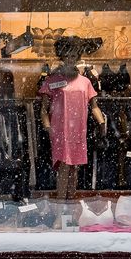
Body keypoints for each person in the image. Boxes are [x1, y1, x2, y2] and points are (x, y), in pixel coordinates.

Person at [39, 37, 107, 202]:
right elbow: (43, 110)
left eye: (73, 55)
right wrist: (48, 127)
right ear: (62, 56)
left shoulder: (85, 82)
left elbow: (95, 106)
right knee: (63, 167)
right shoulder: (52, 81)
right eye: (67, 55)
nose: (70, 59)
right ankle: (61, 208)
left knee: (74, 168)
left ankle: (69, 206)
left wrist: (102, 123)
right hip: (60, 130)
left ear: (77, 57)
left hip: (78, 130)